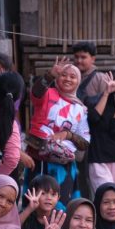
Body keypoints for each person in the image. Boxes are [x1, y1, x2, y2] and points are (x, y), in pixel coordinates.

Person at [25, 57, 90, 209]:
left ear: (78, 81)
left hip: (64, 166)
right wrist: (49, 75)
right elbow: (36, 92)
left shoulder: (81, 109)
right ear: (57, 78)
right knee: (35, 205)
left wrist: (68, 135)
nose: (68, 79)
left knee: (61, 207)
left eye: (73, 76)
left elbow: (84, 143)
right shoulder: (47, 94)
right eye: (63, 75)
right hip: (39, 159)